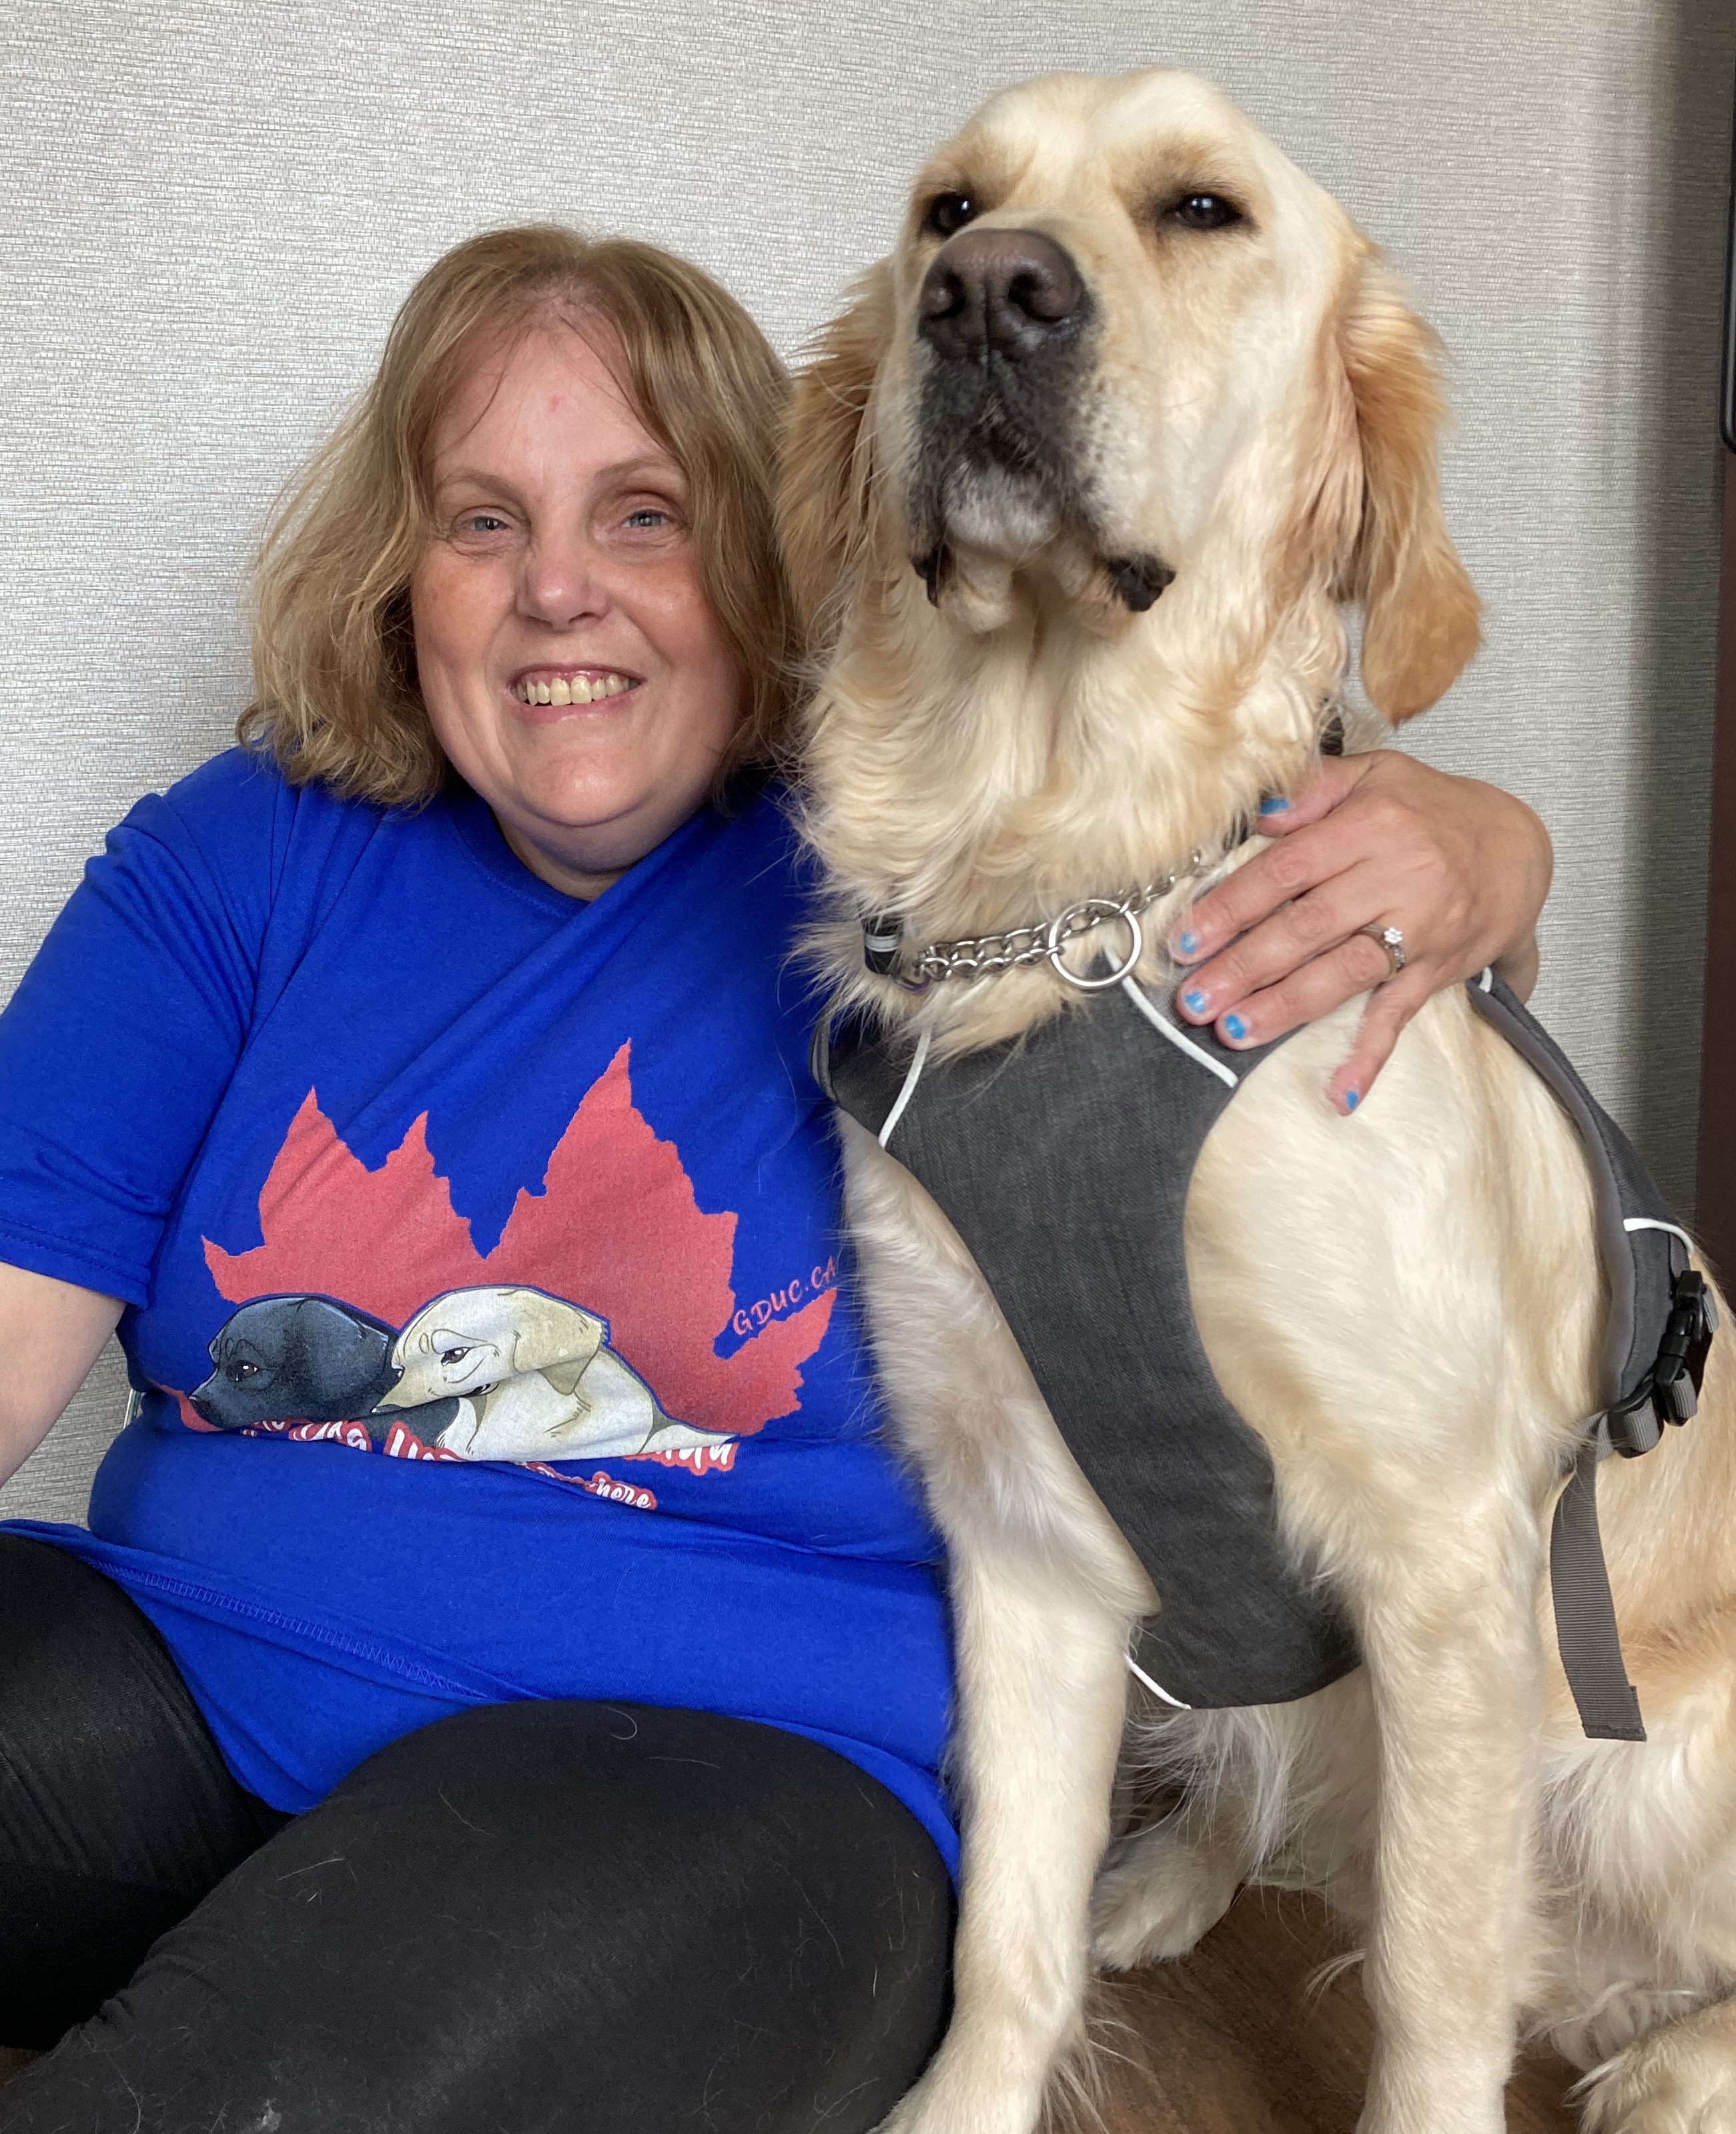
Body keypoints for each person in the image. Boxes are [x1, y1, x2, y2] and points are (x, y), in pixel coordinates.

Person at [0, 224, 1550, 2131]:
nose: (556, 590)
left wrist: (1484, 850)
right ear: (401, 574)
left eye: (639, 516)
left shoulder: (951, 882)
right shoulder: (233, 862)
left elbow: (1322, 986)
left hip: (726, 1776)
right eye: (482, 521)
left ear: (756, 549)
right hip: (187, 1679)